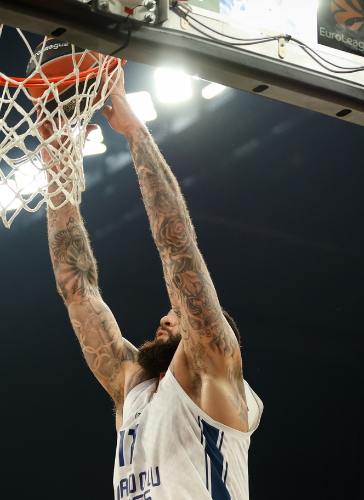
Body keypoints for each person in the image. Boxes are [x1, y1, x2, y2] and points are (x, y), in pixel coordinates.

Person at [43, 71, 264, 500]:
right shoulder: (135, 387)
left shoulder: (213, 373)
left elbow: (177, 248)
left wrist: (135, 132)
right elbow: (77, 289)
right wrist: (59, 167)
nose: (164, 317)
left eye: (178, 314)